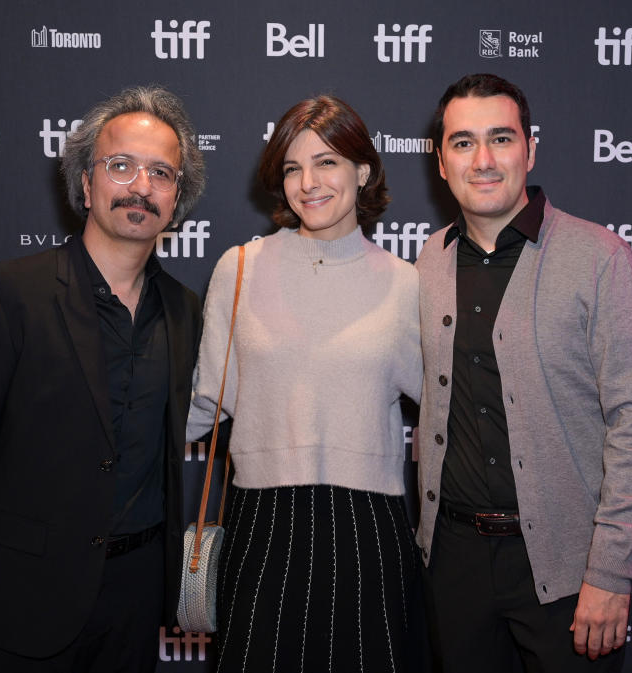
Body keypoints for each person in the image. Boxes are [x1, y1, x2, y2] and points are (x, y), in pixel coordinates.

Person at [0, 85, 205, 672]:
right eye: (120, 165)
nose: (140, 186)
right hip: (19, 601)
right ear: (85, 183)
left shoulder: (187, 311)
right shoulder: (8, 295)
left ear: (177, 197)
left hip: (136, 599)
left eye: (161, 173)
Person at [415, 72, 632, 672]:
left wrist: (609, 572)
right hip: (453, 562)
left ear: (530, 149)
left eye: (501, 139)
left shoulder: (599, 258)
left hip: (566, 569)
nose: (483, 160)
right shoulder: (429, 260)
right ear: (441, 161)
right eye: (463, 142)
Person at [186, 95, 422, 673]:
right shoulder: (239, 268)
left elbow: (450, 415)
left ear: (362, 171)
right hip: (262, 524)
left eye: (327, 162)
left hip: (370, 527)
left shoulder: (407, 285)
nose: (308, 183)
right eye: (292, 168)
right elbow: (203, 404)